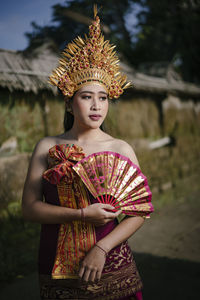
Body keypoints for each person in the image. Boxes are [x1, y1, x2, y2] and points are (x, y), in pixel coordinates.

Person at [22, 5, 153, 300]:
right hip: (55, 259)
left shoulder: (120, 148)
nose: (96, 105)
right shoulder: (47, 146)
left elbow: (139, 212)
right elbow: (29, 208)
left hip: (110, 258)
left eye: (103, 97)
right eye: (86, 97)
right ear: (69, 103)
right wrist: (81, 213)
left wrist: (101, 248)